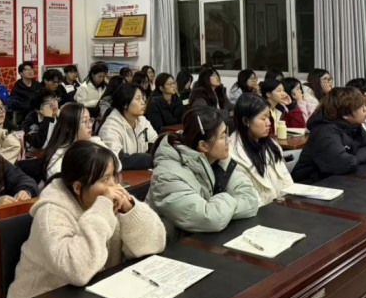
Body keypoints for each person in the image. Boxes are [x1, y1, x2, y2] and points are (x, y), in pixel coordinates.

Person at [7, 141, 166, 298]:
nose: (113, 185)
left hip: (94, 295)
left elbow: (155, 244)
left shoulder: (109, 202)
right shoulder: (51, 213)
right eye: (105, 179)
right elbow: (78, 271)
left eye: (113, 176)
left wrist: (130, 208)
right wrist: (102, 211)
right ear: (78, 187)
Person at [146, 107, 260, 241]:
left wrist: (220, 210)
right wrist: (227, 200)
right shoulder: (167, 175)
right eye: (223, 136)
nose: (228, 140)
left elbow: (250, 198)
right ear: (203, 146)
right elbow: (210, 218)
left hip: (199, 242)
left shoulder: (219, 160)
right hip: (166, 248)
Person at [292, 88, 366, 184]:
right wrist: (351, 158)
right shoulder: (324, 131)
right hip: (311, 185)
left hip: (335, 180)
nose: (365, 109)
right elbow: (344, 164)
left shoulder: (353, 126)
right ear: (345, 114)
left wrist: (351, 157)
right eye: (360, 107)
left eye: (364, 105)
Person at [230, 94, 293, 206]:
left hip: (282, 207)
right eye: (263, 118)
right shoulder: (233, 154)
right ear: (246, 121)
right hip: (262, 211)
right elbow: (252, 200)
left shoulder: (271, 144)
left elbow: (287, 181)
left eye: (268, 117)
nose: (269, 123)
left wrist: (291, 203)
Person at [42, 103, 117, 183]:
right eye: (85, 121)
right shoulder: (57, 155)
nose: (90, 125)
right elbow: (65, 182)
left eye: (90, 120)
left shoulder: (93, 142)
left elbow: (116, 164)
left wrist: (95, 142)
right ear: (69, 127)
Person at [99, 84, 158, 170]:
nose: (143, 102)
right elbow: (117, 160)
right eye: (138, 99)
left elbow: (156, 144)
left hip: (140, 173)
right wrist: (149, 159)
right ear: (125, 104)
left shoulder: (142, 120)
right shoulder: (110, 127)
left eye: (142, 98)